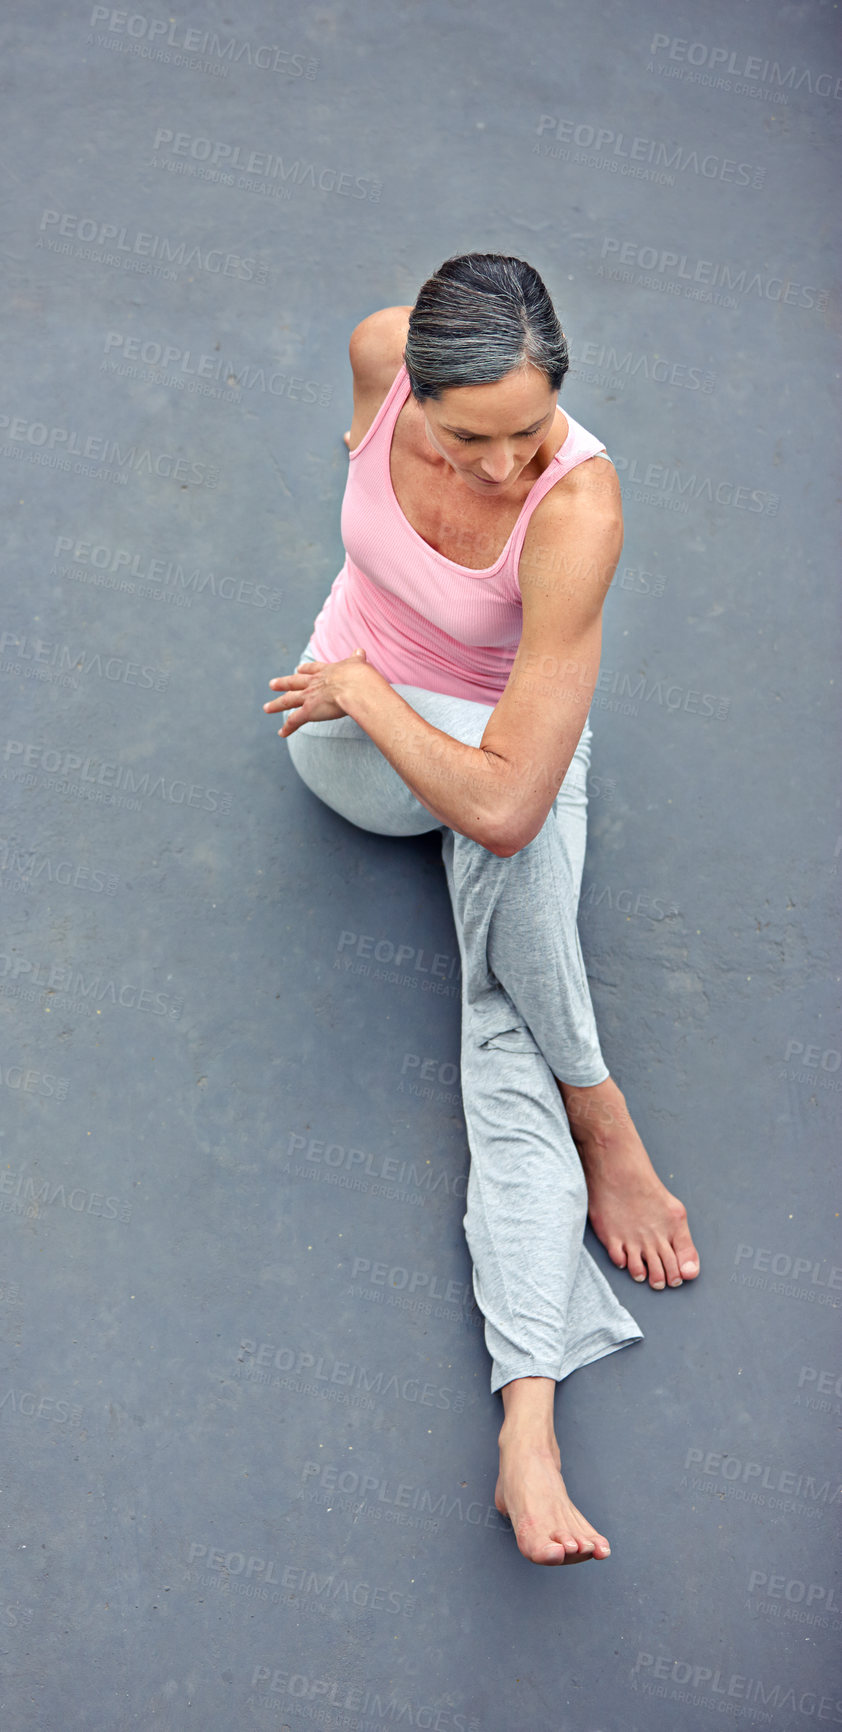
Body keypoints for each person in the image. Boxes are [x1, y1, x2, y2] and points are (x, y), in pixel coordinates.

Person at [263, 253, 699, 1567]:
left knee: (500, 1012)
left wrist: (387, 699)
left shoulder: (580, 509)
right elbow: (505, 804)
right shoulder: (373, 351)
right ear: (415, 389)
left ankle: (528, 1433)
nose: (507, 469)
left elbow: (505, 801)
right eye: (470, 439)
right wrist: (370, 697)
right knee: (523, 898)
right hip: (346, 741)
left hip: (469, 748)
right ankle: (602, 1108)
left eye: (533, 431)